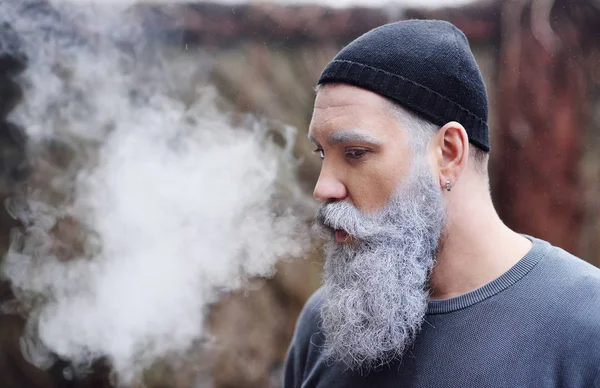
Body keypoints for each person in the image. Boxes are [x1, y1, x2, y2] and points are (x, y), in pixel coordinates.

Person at [283, 19, 600, 388]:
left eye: (355, 153)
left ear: (448, 153)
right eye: (322, 154)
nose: (324, 188)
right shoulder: (325, 324)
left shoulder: (587, 326)